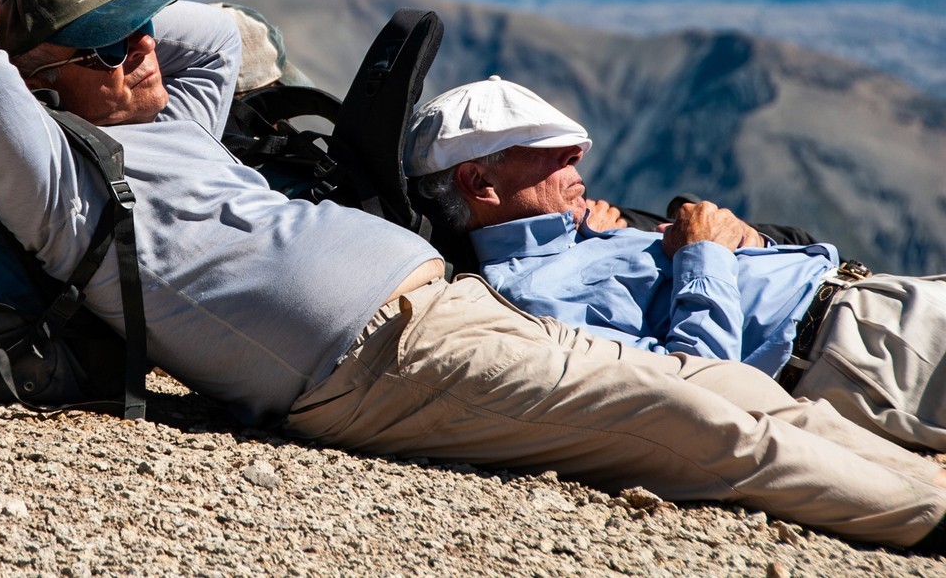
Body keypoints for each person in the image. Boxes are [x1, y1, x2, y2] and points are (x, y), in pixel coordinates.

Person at [0, 0, 946, 552]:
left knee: (724, 385)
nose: (142, 49)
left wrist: (88, 0)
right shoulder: (56, 182)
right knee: (694, 424)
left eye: (135, 31)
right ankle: (927, 522)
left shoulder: (171, 120)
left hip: (444, 311)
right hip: (373, 366)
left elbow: (215, 36)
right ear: (39, 81)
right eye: (108, 48)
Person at [404, 75, 946, 454]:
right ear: (480, 182)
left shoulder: (582, 232)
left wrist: (744, 240)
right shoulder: (533, 299)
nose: (576, 154)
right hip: (861, 353)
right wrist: (703, 251)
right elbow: (697, 389)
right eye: (544, 146)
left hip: (874, 302)